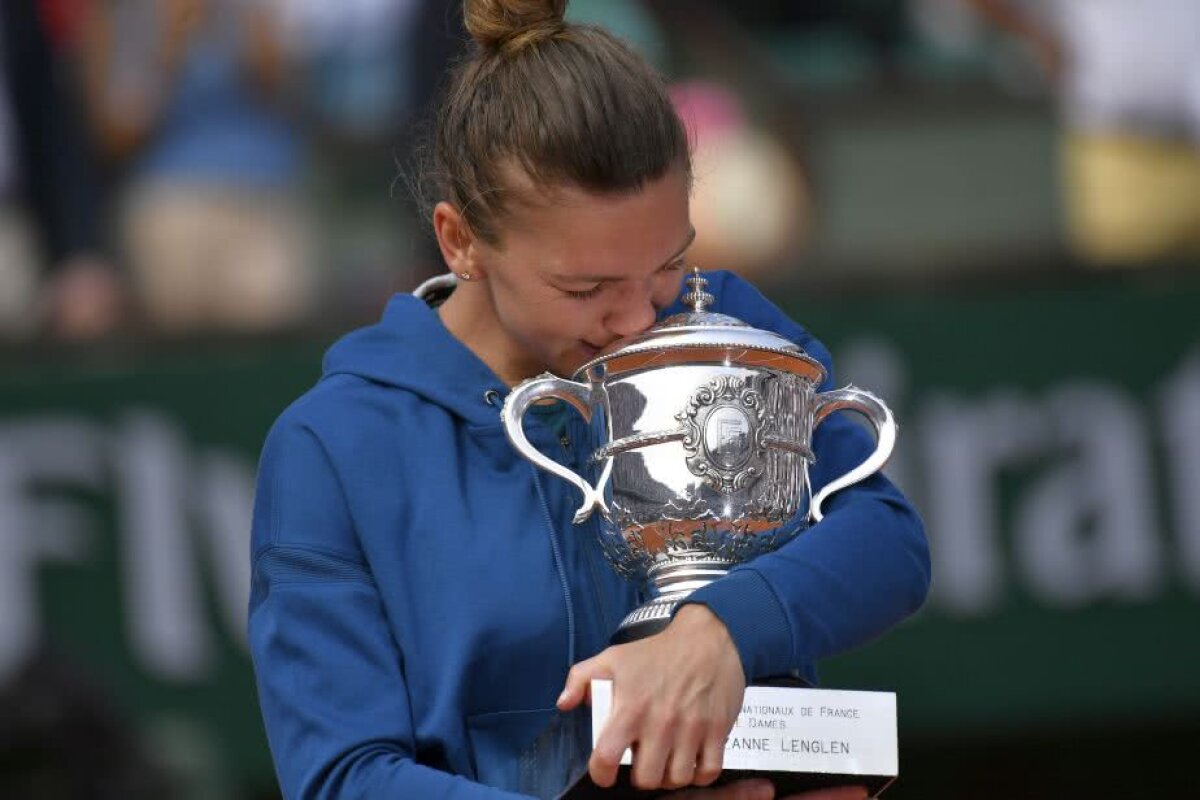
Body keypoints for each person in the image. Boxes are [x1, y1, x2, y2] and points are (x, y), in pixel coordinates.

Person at [246, 1, 930, 798]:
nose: (638, 317)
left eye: (668, 265)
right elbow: (343, 778)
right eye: (586, 288)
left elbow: (888, 540)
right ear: (460, 240)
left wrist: (718, 631)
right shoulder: (334, 444)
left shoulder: (725, 327)